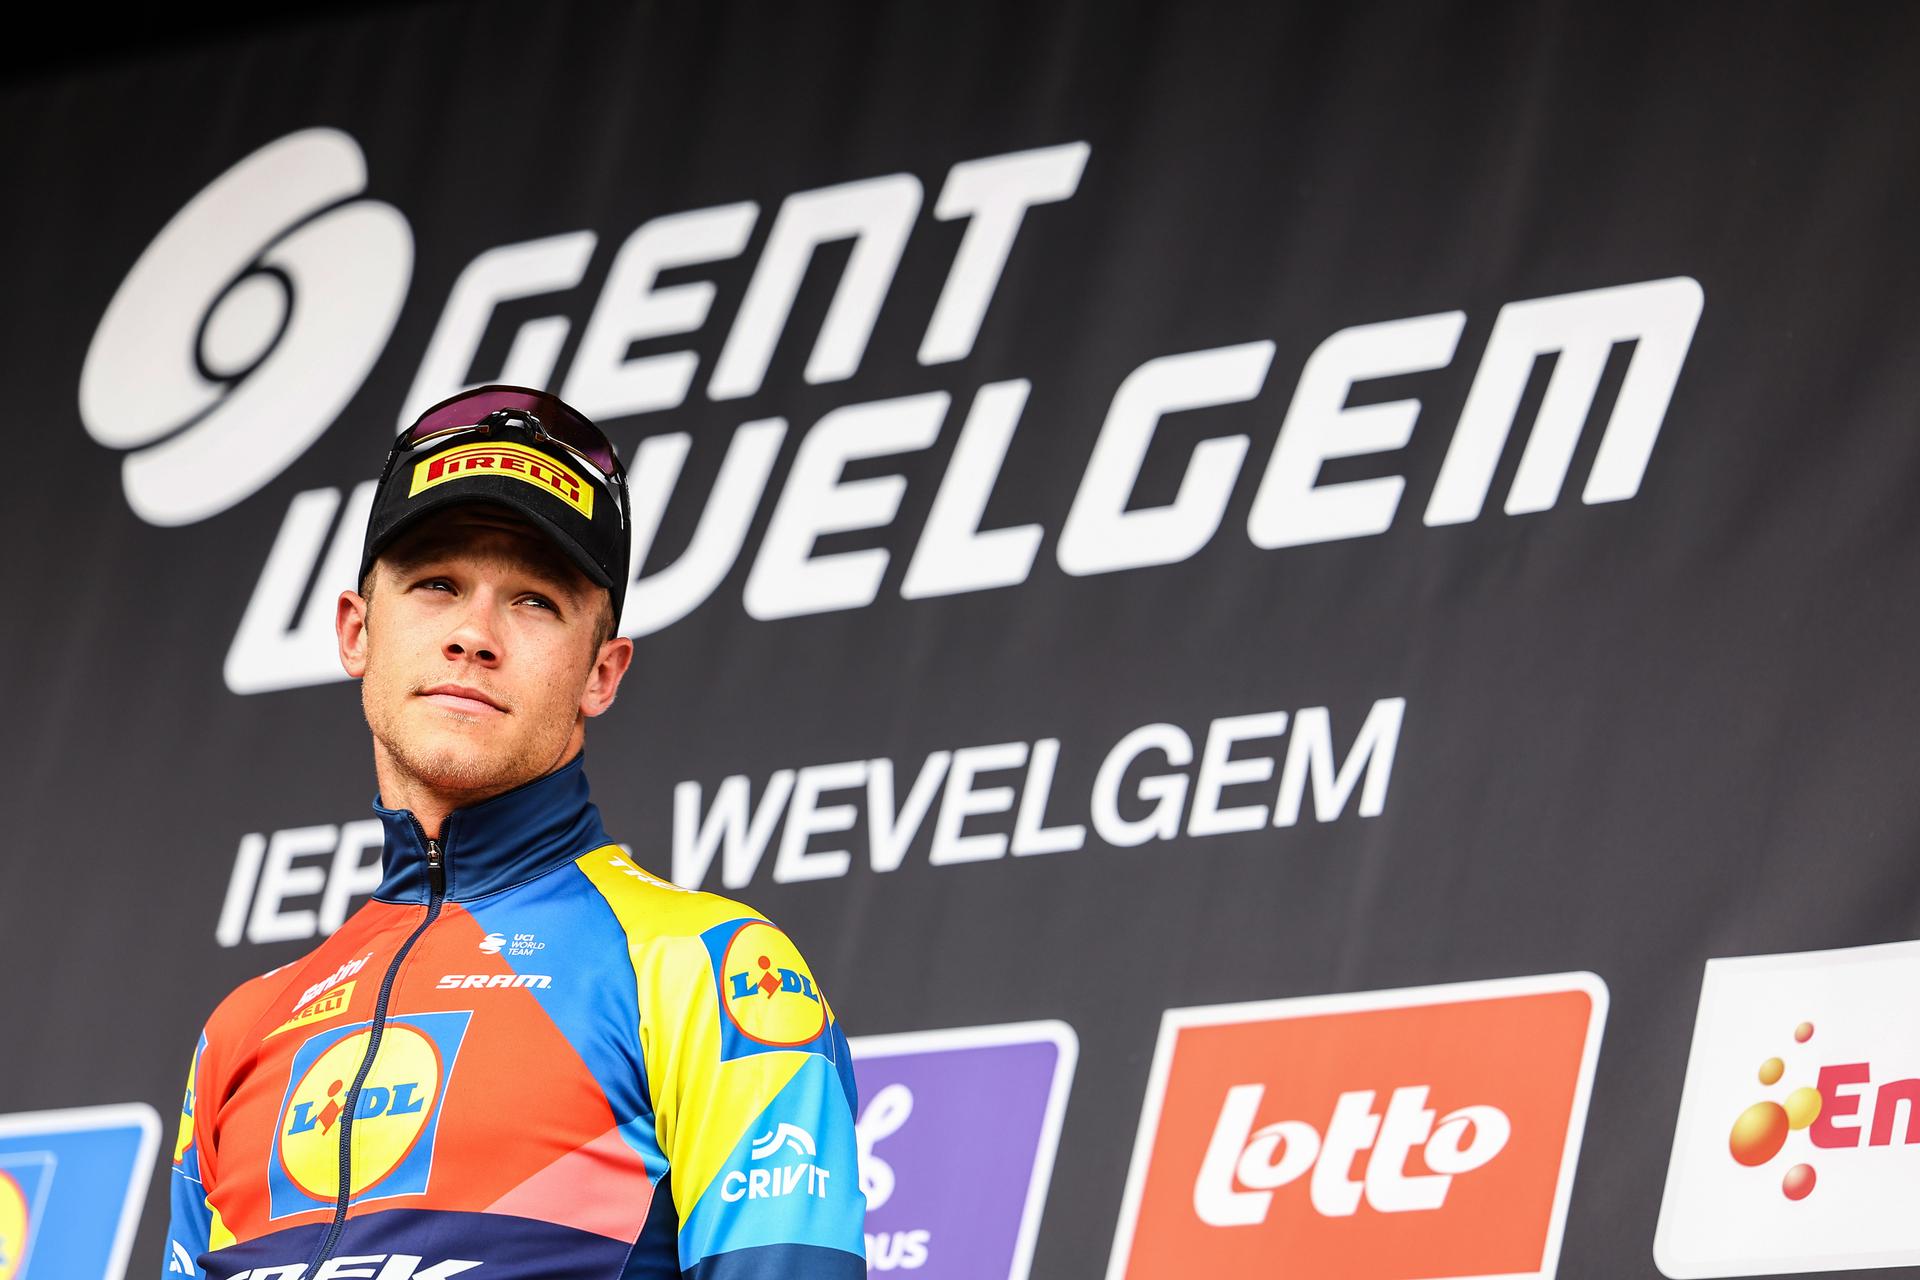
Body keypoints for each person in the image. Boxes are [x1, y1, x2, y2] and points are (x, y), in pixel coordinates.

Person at [164, 386, 865, 1279]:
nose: (474, 634)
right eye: (436, 584)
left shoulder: (705, 971)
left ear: (601, 673)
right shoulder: (242, 1029)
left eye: (533, 600)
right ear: (355, 631)